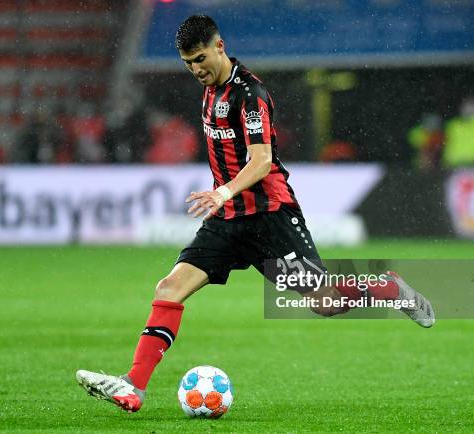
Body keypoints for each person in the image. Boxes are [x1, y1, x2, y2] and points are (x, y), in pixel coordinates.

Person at [76, 15, 435, 413]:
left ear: (219, 46)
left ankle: (387, 288)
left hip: (270, 217)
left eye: (199, 58)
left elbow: (261, 160)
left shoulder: (251, 94)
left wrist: (223, 190)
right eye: (187, 63)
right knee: (168, 289)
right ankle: (133, 387)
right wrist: (224, 198)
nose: (196, 69)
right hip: (228, 219)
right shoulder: (210, 91)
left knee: (324, 302)